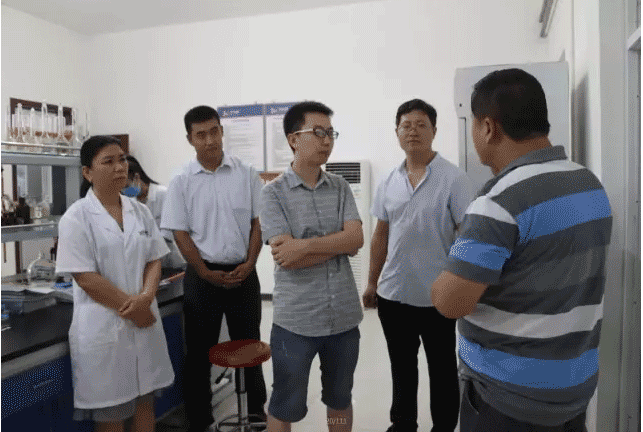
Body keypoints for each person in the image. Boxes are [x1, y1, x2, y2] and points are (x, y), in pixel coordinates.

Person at [431, 68, 613, 432]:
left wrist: (451, 263)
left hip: (508, 398)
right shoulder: (588, 183)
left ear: (488, 127)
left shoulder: (498, 201)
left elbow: (450, 303)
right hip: (574, 386)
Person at [362, 99, 474, 432]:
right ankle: (403, 424)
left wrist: (462, 287)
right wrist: (372, 282)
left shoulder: (454, 179)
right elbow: (381, 235)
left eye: (421, 125)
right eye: (406, 125)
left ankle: (444, 427)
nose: (413, 131)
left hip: (438, 296)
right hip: (394, 294)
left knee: (442, 369)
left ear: (434, 131)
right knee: (401, 367)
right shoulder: (388, 180)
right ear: (396, 132)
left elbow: (467, 236)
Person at [55, 135, 175, 432]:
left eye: (121, 159)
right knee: (112, 413)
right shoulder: (76, 218)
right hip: (107, 327)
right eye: (108, 161)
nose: (120, 167)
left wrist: (146, 297)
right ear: (87, 172)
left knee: (145, 403)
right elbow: (85, 277)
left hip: (144, 320)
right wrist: (135, 309)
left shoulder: (140, 211)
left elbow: (154, 259)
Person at [160, 105, 267, 432]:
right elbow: (179, 232)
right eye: (201, 135)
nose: (209, 140)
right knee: (198, 355)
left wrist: (250, 263)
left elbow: (258, 223)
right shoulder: (181, 180)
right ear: (190, 139)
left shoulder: (246, 173)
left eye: (214, 131)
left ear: (222, 131)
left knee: (250, 344)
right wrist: (205, 272)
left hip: (243, 273)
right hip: (202, 277)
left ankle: (257, 414)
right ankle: (201, 421)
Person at [260, 101, 364, 432]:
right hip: (296, 322)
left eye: (331, 133)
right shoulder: (272, 193)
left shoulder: (340, 186)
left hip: (343, 318)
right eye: (318, 132)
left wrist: (303, 245)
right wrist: (337, 244)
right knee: (284, 404)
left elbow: (356, 239)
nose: (327, 140)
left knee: (340, 399)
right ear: (293, 139)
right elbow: (285, 257)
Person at [124, 155, 185, 269]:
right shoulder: (131, 202)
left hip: (173, 259)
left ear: (137, 177)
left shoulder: (163, 194)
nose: (125, 191)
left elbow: (170, 232)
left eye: (126, 186)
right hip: (150, 262)